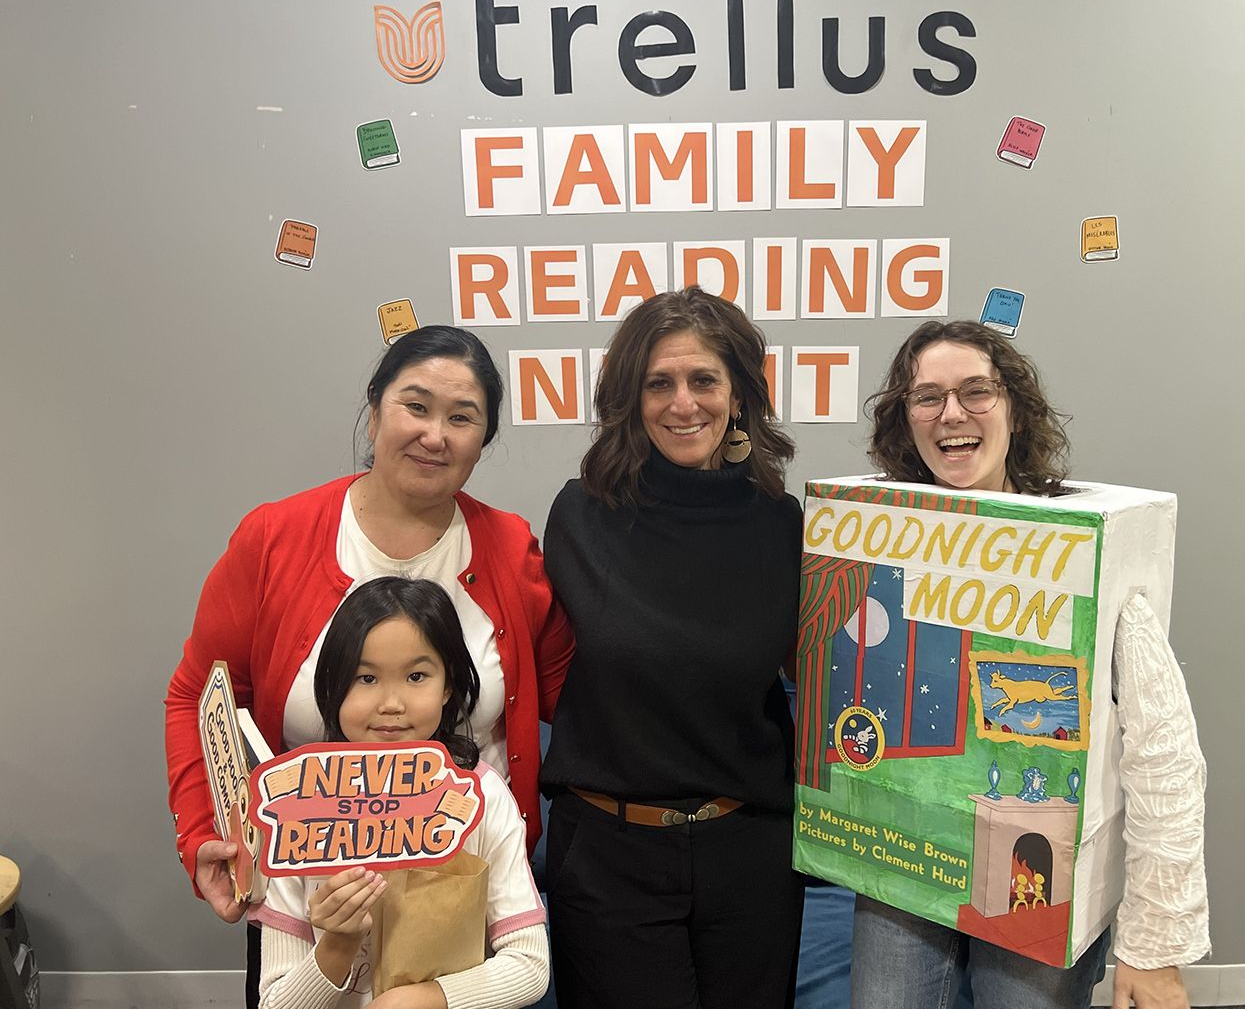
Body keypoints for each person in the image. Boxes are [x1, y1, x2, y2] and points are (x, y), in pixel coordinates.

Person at [164, 326, 572, 1001]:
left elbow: (571, 692)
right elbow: (197, 697)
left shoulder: (509, 547)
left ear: (483, 438)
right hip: (311, 873)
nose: (435, 434)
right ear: (376, 406)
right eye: (416, 406)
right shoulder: (275, 539)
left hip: (463, 878)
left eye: (462, 418)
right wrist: (205, 833)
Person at [853, 320, 1209, 1009]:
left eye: (975, 391)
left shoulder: (1085, 547)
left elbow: (1164, 755)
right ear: (906, 420)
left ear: (1015, 407)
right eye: (927, 397)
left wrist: (1155, 943)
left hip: (1039, 876)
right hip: (903, 857)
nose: (951, 413)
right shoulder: (881, 537)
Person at [540, 287, 805, 1009]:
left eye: (703, 380)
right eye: (659, 383)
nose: (683, 403)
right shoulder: (580, 516)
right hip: (608, 853)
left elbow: (812, 677)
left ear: (739, 394)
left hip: (749, 852)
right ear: (631, 397)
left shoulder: (783, 525)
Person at [255, 577, 549, 1009]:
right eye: (365, 677)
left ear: (448, 685)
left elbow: (530, 965)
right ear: (332, 685)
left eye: (416, 676)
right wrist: (336, 944)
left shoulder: (480, 796)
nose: (391, 703)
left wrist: (430, 999)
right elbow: (275, 1002)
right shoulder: (294, 807)